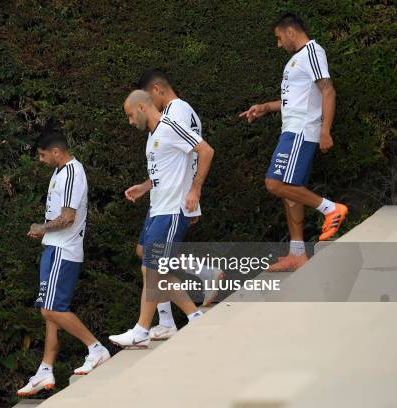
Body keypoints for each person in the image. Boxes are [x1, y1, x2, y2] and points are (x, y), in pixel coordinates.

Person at [239, 12, 348, 272]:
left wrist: (326, 130)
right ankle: (297, 253)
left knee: (274, 184)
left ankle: (331, 209)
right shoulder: (295, 61)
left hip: (301, 132)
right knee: (291, 192)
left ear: (290, 31)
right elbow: (295, 102)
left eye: (278, 38)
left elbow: (328, 90)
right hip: (291, 130)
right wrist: (265, 107)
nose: (278, 44)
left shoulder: (312, 51)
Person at [109, 90, 214, 349]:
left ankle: (142, 329)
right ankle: (194, 315)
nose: (130, 122)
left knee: (154, 267)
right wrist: (144, 188)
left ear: (143, 107)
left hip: (172, 211)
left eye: (130, 115)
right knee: (152, 268)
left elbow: (205, 150)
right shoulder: (153, 135)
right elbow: (166, 171)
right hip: (157, 209)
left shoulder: (169, 126)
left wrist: (195, 190)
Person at [17, 129, 110, 397]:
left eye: (43, 155)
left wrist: (41, 228)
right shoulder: (60, 173)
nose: (41, 160)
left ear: (56, 151)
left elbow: (68, 217)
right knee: (51, 313)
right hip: (54, 249)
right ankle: (46, 368)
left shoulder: (71, 172)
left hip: (63, 250)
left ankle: (95, 348)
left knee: (50, 309)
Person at [135, 69, 225, 341]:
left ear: (157, 90)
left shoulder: (177, 111)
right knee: (145, 253)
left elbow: (193, 154)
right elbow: (171, 159)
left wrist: (193, 194)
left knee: (153, 261)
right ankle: (171, 315)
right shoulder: (179, 111)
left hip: (173, 199)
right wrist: (146, 185)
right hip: (167, 196)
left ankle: (172, 316)